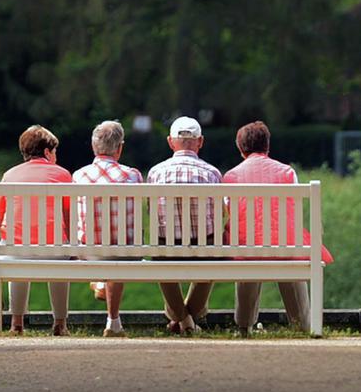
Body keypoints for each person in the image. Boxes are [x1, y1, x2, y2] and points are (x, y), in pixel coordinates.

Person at [222, 121, 334, 337]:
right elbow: (292, 208)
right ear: (267, 146)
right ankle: (302, 323)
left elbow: (230, 210)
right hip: (284, 247)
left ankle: (244, 326)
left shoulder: (231, 176)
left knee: (247, 245)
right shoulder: (287, 172)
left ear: (240, 148)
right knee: (291, 245)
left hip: (247, 248)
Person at [147, 116, 222, 334]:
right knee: (214, 252)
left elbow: (152, 212)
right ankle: (188, 321)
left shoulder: (155, 173)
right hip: (203, 250)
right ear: (200, 142)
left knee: (159, 252)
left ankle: (181, 319)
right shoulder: (212, 173)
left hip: (166, 250)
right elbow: (220, 214)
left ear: (171, 142)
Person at [0, 125, 73, 336]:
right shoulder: (63, 175)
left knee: (16, 255)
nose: (56, 156)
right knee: (60, 258)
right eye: (55, 151)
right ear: (48, 152)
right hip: (54, 249)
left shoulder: (10, 175)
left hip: (15, 249)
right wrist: (73, 244)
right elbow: (69, 214)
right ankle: (60, 323)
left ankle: (16, 323)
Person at [72, 120, 143, 337]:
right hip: (127, 252)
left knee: (104, 246)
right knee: (117, 247)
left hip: (87, 252)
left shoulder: (78, 176)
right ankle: (113, 322)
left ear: (94, 148)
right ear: (120, 148)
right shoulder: (133, 176)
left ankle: (100, 282)